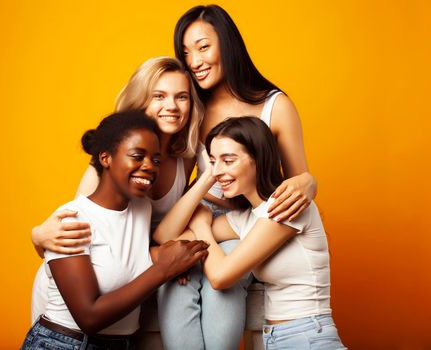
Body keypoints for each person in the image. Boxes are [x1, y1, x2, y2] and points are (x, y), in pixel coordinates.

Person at [154, 5, 318, 349]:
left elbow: (298, 180)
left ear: (227, 44)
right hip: (201, 215)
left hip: (247, 224)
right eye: (186, 53)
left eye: (203, 47)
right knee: (177, 279)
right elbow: (180, 186)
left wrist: (310, 182)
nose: (195, 61)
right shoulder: (192, 107)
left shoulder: (275, 105)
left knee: (225, 278)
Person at [30, 56, 210, 322]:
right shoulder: (108, 160)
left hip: (130, 279)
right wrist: (36, 236)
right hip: (75, 300)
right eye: (158, 96)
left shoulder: (187, 155)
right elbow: (78, 236)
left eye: (181, 97)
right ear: (140, 101)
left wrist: (168, 254)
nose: (171, 106)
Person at [22, 110, 209, 349]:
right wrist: (163, 269)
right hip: (65, 343)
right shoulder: (73, 220)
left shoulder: (141, 208)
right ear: (105, 158)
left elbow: (123, 258)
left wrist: (168, 257)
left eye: (156, 160)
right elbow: (89, 317)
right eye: (137, 156)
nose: (149, 167)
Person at [160, 116, 346, 349]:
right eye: (212, 161)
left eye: (228, 160)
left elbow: (220, 277)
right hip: (277, 338)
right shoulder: (246, 219)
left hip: (308, 337)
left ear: (258, 158)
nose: (217, 172)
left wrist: (200, 225)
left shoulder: (286, 205)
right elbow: (165, 237)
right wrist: (204, 185)